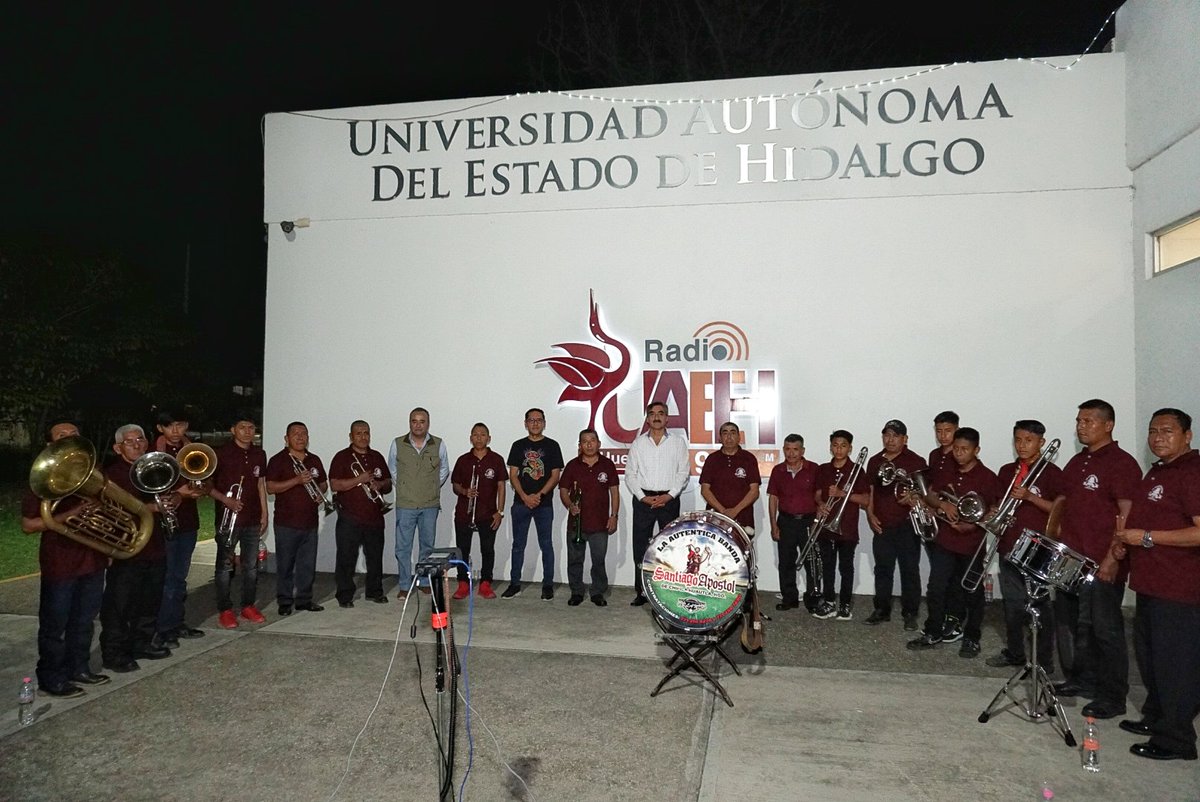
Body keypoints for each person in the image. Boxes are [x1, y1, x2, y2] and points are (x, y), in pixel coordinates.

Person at [1112, 408, 1200, 761]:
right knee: (1151, 660)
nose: (1158, 437)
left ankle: (1176, 740)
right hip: (1151, 584)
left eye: (1167, 431)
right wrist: (1126, 541)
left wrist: (1145, 537)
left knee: (1175, 665)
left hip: (1179, 589)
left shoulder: (1192, 473)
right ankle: (1156, 718)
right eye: (1152, 431)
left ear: (1187, 435)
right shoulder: (1159, 471)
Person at [1053, 399, 1141, 719]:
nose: (1081, 426)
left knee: (1105, 630)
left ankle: (1113, 696)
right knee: (1079, 627)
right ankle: (1084, 681)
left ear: (1108, 425)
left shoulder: (1121, 463)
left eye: (1089, 421)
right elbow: (1064, 505)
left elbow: (1127, 515)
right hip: (1071, 562)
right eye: (1079, 421)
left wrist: (1112, 560)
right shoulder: (1077, 463)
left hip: (1102, 562)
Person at [20, 418, 110, 696]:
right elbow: (29, 525)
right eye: (62, 435)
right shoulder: (41, 479)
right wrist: (67, 516)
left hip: (92, 558)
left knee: (84, 621)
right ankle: (51, 677)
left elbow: (109, 508)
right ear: (50, 444)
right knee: (55, 625)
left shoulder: (92, 472)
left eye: (74, 433)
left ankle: (78, 668)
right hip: (61, 560)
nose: (70, 437)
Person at [906, 427, 1000, 657]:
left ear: (976, 450)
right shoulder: (947, 469)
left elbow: (993, 513)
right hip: (944, 540)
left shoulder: (988, 477)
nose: (958, 453)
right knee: (936, 588)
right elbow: (930, 494)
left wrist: (972, 524)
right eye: (956, 448)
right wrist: (943, 505)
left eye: (964, 449)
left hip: (971, 544)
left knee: (972, 592)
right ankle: (933, 631)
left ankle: (971, 638)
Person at [984, 420, 1065, 671]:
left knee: (1040, 606)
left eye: (1028, 440)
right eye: (1018, 440)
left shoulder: (1052, 474)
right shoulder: (1007, 470)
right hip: (1009, 544)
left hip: (1038, 549)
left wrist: (1030, 497)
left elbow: (1061, 510)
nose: (1022, 445)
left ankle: (1044, 660)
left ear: (1041, 442)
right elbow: (997, 503)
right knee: (1013, 605)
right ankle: (1015, 652)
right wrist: (994, 512)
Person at [100, 424, 171, 672]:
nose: (138, 444)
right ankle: (114, 652)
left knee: (149, 599)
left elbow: (167, 495)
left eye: (140, 439)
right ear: (118, 448)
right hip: (126, 546)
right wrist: (150, 509)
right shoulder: (112, 474)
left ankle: (142, 642)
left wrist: (174, 500)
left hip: (154, 544)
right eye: (130, 441)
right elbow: (110, 508)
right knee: (120, 603)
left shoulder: (153, 468)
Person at [150, 410, 207, 648]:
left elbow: (205, 478)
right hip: (164, 522)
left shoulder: (192, 448)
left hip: (188, 521)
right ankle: (163, 629)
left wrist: (200, 488)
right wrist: (179, 494)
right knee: (167, 578)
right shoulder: (152, 454)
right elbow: (150, 488)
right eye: (170, 426)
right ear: (160, 428)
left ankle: (176, 622)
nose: (176, 431)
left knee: (180, 578)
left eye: (180, 425)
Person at [864, 420, 929, 630]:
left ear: (905, 439)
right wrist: (870, 514)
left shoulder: (916, 460)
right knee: (883, 568)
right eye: (887, 435)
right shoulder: (874, 461)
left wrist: (914, 496)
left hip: (908, 525)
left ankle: (910, 613)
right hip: (882, 524)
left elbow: (926, 492)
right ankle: (881, 610)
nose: (890, 440)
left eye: (896, 436)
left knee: (909, 570)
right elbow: (871, 490)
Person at [625, 400, 689, 607]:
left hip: (669, 501)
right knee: (641, 548)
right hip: (644, 501)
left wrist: (669, 495)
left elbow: (683, 473)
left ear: (667, 417)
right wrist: (643, 497)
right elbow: (630, 475)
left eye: (661, 413)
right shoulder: (638, 443)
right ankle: (641, 591)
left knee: (671, 547)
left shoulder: (678, 443)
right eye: (652, 414)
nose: (656, 417)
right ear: (647, 418)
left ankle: (668, 591)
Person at [210, 413, 269, 629]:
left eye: (251, 427)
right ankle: (225, 609)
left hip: (252, 518)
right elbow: (206, 486)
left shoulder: (259, 454)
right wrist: (226, 500)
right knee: (225, 567)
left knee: (251, 566)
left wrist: (265, 513)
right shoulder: (221, 453)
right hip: (229, 520)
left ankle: (248, 606)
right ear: (233, 429)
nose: (247, 431)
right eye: (243, 427)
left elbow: (260, 484)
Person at [265, 421, 328, 615]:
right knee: (285, 565)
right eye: (295, 433)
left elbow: (323, 483)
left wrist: (320, 493)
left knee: (307, 564)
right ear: (286, 438)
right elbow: (270, 488)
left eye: (304, 434)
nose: (300, 437)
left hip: (309, 522)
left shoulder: (314, 460)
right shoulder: (278, 460)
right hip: (286, 523)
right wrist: (297, 480)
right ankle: (284, 602)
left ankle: (304, 600)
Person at [329, 420, 393, 607]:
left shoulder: (377, 456)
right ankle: (345, 595)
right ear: (351, 436)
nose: (363, 436)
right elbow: (335, 485)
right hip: (350, 517)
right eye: (358, 433)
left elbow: (388, 483)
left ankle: (374, 591)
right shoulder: (341, 457)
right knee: (346, 558)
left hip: (374, 517)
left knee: (375, 557)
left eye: (366, 433)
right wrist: (360, 479)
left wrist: (379, 485)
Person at [504, 408, 564, 600]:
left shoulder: (553, 446)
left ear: (544, 423)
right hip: (520, 503)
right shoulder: (517, 445)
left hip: (544, 504)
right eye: (531, 420)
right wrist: (524, 496)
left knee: (546, 544)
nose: (535, 423)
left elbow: (555, 475)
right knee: (518, 545)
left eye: (539, 420)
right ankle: (514, 584)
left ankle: (547, 585)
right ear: (525, 423)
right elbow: (513, 475)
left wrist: (539, 495)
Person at [388, 407, 449, 597]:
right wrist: (407, 487)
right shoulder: (397, 444)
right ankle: (405, 586)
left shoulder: (438, 444)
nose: (418, 425)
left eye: (422, 421)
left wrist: (429, 487)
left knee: (427, 547)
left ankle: (424, 581)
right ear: (410, 423)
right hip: (406, 505)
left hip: (429, 505)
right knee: (403, 547)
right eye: (414, 421)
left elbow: (444, 470)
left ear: (428, 423)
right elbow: (393, 471)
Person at [559, 428, 620, 606]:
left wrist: (614, 516)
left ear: (598, 443)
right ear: (580, 445)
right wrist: (570, 505)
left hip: (600, 524)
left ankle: (597, 592)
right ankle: (576, 592)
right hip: (576, 524)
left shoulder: (607, 465)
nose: (589, 444)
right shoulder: (572, 465)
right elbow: (563, 490)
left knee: (598, 561)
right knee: (575, 560)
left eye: (592, 440)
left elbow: (614, 492)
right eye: (585, 441)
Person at [814, 430, 870, 620]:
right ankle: (829, 602)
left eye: (843, 445)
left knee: (846, 567)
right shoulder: (823, 469)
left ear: (850, 448)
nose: (839, 449)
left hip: (847, 528)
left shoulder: (857, 470)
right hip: (826, 527)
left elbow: (865, 499)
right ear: (830, 446)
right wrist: (820, 505)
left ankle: (845, 604)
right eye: (835, 445)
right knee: (827, 566)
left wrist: (842, 494)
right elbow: (818, 493)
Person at [449, 423, 506, 600]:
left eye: (482, 435)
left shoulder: (496, 459)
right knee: (462, 549)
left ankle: (485, 583)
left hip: (488, 513)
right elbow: (455, 485)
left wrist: (500, 512)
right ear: (470, 438)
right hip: (464, 513)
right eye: (475, 434)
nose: (479, 437)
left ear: (489, 438)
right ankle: (463, 583)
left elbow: (501, 487)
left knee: (487, 549)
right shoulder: (463, 460)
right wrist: (465, 491)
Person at [766, 434, 819, 613]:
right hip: (786, 521)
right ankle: (790, 598)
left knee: (811, 562)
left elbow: (820, 497)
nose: (791, 453)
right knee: (786, 562)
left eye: (795, 449)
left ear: (802, 451)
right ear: (783, 450)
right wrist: (774, 524)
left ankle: (813, 600)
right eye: (788, 449)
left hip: (808, 522)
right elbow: (773, 499)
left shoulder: (814, 469)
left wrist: (817, 522)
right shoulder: (778, 470)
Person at [700, 422, 761, 537]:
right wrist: (723, 512)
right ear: (720, 438)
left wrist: (735, 511)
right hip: (716, 518)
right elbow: (705, 490)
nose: (729, 437)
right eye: (725, 433)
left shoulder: (749, 458)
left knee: (741, 554)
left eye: (733, 433)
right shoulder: (712, 459)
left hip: (743, 517)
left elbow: (754, 491)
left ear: (739, 437)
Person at [928, 411, 959, 484]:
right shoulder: (934, 454)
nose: (943, 436)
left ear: (957, 430)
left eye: (948, 431)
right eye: (939, 431)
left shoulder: (962, 455)